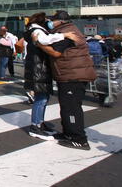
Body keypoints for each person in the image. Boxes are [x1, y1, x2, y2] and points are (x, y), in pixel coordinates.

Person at [38, 10, 96, 151]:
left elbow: (56, 52)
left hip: (73, 76)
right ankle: (68, 134)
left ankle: (78, 139)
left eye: (53, 20)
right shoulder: (66, 31)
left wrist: (39, 44)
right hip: (70, 74)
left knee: (71, 107)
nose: (50, 22)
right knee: (66, 106)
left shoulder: (68, 33)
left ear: (61, 21)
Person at [23, 12, 78, 140]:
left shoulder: (36, 30)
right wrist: (64, 35)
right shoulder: (37, 31)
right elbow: (44, 40)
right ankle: (35, 126)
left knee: (43, 97)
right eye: (48, 20)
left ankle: (40, 123)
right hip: (38, 68)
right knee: (40, 98)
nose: (50, 22)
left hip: (39, 67)